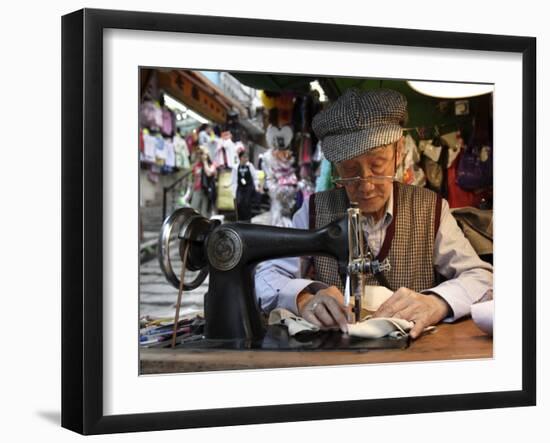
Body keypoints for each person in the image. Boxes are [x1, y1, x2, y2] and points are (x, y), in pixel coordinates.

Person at [254, 89, 493, 339]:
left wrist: (437, 303)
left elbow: (481, 277)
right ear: (335, 166)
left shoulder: (431, 209)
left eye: (378, 165)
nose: (366, 185)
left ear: (398, 153)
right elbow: (267, 276)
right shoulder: (313, 211)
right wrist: (303, 298)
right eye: (350, 170)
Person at [231, 151, 261, 222]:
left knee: (247, 205)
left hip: (248, 188)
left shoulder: (250, 166)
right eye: (244, 157)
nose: (246, 159)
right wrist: (234, 193)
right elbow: (234, 181)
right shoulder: (235, 167)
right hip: (240, 189)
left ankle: (248, 221)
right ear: (240, 158)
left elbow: (255, 177)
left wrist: (256, 186)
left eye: (247, 157)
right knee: (239, 204)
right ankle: (240, 221)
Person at [190, 147, 216, 217]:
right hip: (197, 190)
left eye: (202, 153)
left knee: (204, 213)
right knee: (194, 210)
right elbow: (194, 179)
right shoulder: (196, 165)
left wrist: (205, 162)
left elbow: (209, 173)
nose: (200, 156)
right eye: (199, 154)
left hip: (207, 191)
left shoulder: (212, 165)